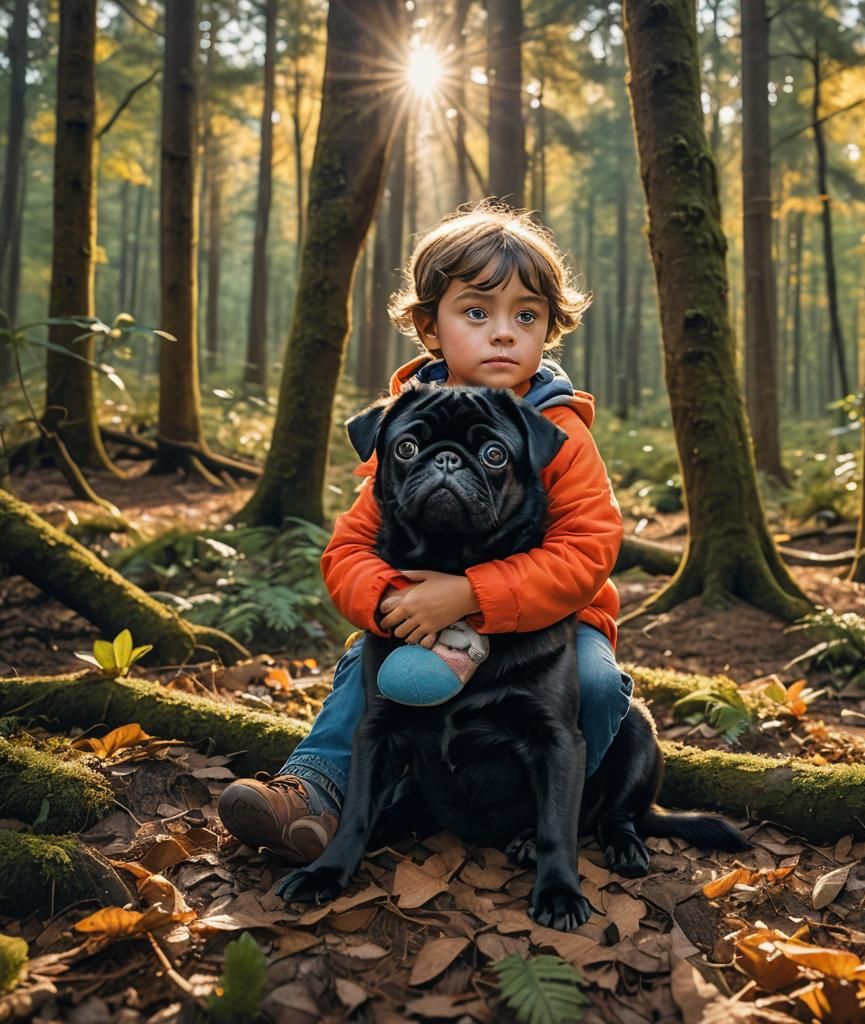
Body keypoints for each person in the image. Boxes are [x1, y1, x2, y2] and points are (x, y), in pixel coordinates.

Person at [218, 204, 634, 863]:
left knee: (599, 683)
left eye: (525, 316)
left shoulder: (561, 432)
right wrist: (392, 602)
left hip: (550, 629)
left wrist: (471, 594)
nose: (503, 333)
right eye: (477, 312)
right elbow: (349, 549)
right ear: (429, 327)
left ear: (549, 329)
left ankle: (557, 813)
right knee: (366, 667)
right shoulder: (403, 425)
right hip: (422, 623)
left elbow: (587, 552)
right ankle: (315, 793)